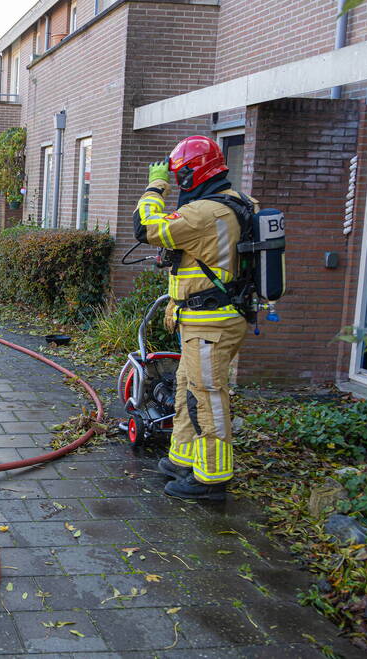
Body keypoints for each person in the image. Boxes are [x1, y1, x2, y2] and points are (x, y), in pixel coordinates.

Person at [133, 135, 250, 502]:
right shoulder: (237, 202)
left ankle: (211, 480)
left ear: (190, 175)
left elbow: (145, 227)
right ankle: (185, 458)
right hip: (210, 317)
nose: (178, 182)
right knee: (187, 387)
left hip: (210, 322)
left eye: (180, 176)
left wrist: (155, 185)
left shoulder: (202, 213)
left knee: (207, 395)